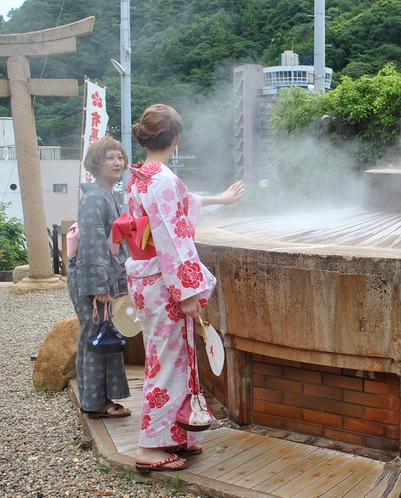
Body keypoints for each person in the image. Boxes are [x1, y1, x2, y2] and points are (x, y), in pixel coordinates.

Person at [124, 104, 243, 471]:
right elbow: (172, 238)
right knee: (168, 362)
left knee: (171, 357)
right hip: (164, 282)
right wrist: (188, 291)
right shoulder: (161, 180)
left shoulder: (141, 175)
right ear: (176, 137)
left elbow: (177, 206)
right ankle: (150, 446)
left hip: (147, 279)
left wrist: (220, 200)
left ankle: (179, 433)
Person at [68, 136, 132, 419]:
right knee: (95, 339)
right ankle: (94, 404)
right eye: (110, 157)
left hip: (102, 279)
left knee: (102, 339)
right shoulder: (95, 197)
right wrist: (99, 287)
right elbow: (93, 242)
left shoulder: (107, 195)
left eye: (119, 156)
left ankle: (99, 400)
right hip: (94, 282)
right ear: (97, 163)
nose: (117, 162)